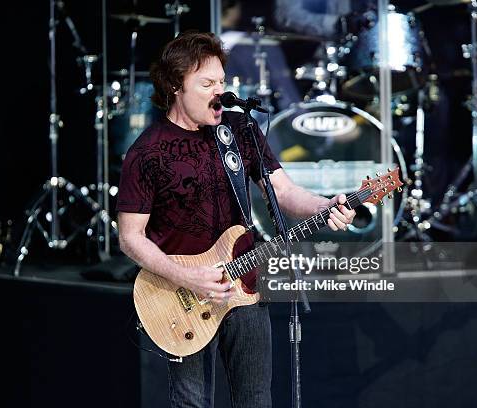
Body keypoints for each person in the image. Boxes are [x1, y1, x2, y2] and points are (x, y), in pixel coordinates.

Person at [116, 31, 355, 408]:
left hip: (245, 285)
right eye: (207, 83)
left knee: (256, 400)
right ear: (176, 87)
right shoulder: (147, 151)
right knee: (193, 403)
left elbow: (284, 192)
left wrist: (326, 206)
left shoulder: (239, 129)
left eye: (222, 81)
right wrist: (185, 276)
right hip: (183, 298)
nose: (220, 92)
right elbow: (130, 237)